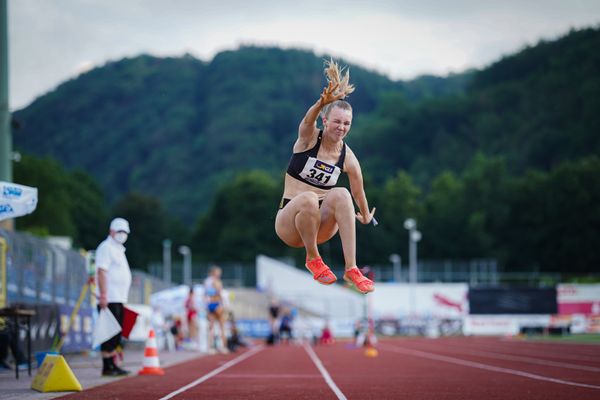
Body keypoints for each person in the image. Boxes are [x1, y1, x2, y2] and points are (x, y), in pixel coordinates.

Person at [274, 59, 375, 294]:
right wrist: (322, 102)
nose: (341, 127)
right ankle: (313, 259)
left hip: (320, 226)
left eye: (347, 123)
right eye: (337, 121)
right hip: (290, 222)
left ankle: (352, 268)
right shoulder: (309, 138)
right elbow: (307, 120)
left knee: (341, 193)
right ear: (326, 120)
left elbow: (358, 191)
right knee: (309, 197)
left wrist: (366, 213)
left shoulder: (348, 157)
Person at [95, 217, 132, 376]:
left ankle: (112, 363)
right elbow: (102, 271)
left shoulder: (118, 249)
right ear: (112, 231)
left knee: (116, 332)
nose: (122, 234)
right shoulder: (106, 247)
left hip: (119, 297)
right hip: (110, 297)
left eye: (125, 232)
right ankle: (107, 365)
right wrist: (103, 295)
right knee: (108, 331)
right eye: (119, 231)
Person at [203, 266, 229, 354]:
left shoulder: (207, 281)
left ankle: (213, 347)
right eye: (218, 272)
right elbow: (220, 294)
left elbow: (206, 294)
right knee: (220, 326)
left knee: (212, 327)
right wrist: (224, 305)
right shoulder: (216, 282)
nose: (219, 274)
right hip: (216, 304)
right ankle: (222, 347)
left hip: (211, 304)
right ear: (214, 273)